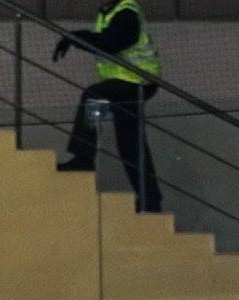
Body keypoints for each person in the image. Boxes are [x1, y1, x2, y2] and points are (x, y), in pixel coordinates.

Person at [53, 0, 163, 213]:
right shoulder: (108, 13)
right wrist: (75, 37)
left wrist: (76, 38)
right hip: (126, 83)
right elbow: (104, 40)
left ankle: (84, 158)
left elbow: (110, 43)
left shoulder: (126, 13)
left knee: (94, 96)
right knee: (130, 144)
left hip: (137, 81)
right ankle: (150, 200)